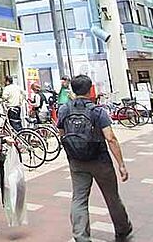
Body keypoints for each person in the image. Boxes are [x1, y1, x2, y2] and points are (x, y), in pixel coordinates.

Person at [57, 75, 132, 242]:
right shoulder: (97, 111)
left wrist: (72, 152)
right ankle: (122, 229)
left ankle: (81, 237)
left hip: (76, 161)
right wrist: (121, 164)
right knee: (111, 197)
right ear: (90, 90)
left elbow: (62, 134)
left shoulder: (64, 110)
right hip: (100, 160)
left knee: (79, 198)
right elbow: (110, 138)